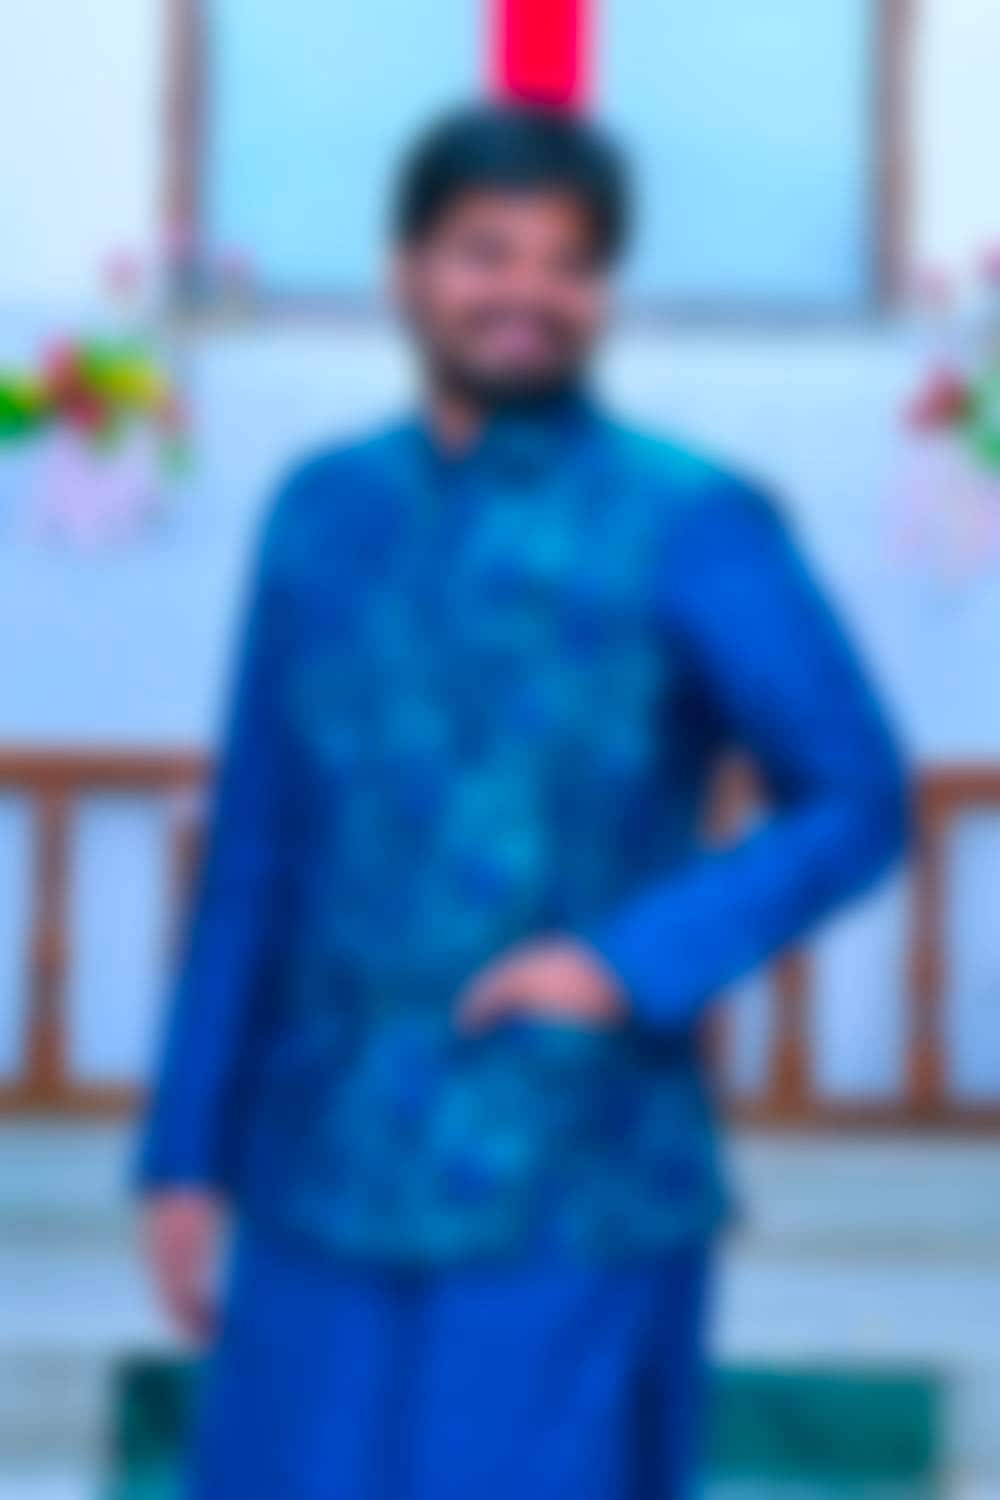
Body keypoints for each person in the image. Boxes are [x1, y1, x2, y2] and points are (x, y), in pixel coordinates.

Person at [138, 103, 908, 1499]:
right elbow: (253, 847)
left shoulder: (687, 519)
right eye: (486, 251)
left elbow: (856, 795)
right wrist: (184, 1151)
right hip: (320, 1159)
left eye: (569, 263)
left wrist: (627, 964)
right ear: (407, 271)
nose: (528, 293)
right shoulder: (323, 512)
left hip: (570, 1166)